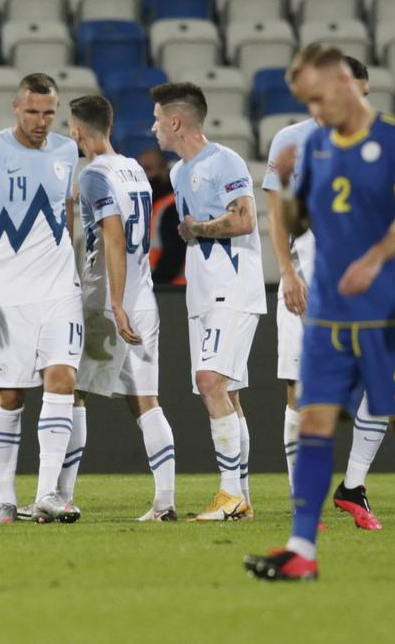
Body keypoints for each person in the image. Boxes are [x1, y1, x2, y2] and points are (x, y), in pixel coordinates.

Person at [246, 44, 395, 582]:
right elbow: (297, 221)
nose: (313, 110)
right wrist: (285, 187)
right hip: (328, 309)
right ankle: (302, 551)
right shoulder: (313, 148)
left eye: (316, 97)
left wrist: (377, 259)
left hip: (386, 308)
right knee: (313, 418)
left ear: (344, 83)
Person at [0, 73, 83, 525]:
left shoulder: (67, 151)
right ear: (15, 107)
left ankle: (48, 493)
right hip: (8, 292)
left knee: (62, 379)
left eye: (49, 112)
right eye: (33, 112)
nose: (42, 121)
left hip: (60, 290)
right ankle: (6, 500)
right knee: (9, 395)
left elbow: (65, 211)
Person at [263, 55, 387, 531]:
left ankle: (352, 487)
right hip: (306, 282)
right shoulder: (289, 140)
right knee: (300, 392)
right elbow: (277, 217)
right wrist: (288, 275)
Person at [151, 81, 266, 521]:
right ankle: (242, 498)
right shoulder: (179, 172)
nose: (154, 127)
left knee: (209, 381)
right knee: (228, 393)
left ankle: (229, 493)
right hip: (202, 291)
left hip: (233, 286)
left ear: (177, 121)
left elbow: (244, 219)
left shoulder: (225, 161)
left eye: (159, 120)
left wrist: (197, 228)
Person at [69, 95, 178, 522]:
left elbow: (113, 236)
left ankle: (60, 496)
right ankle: (165, 500)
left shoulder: (95, 175)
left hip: (106, 298)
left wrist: (113, 301)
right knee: (146, 401)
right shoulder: (135, 168)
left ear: (78, 130)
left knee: (70, 393)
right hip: (144, 297)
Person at [139, 148, 185, 285]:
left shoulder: (172, 206)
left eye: (148, 169)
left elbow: (173, 256)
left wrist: (154, 285)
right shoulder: (152, 205)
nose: (145, 177)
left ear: (164, 171)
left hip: (172, 291)